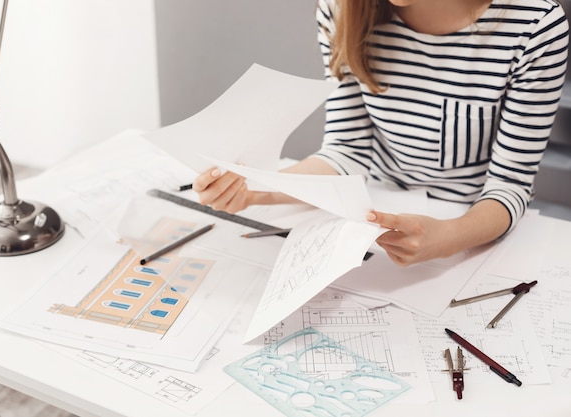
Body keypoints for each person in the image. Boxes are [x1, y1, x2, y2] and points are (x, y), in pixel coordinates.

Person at [193, 0, 569, 266]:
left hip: (474, 230)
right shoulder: (342, 9)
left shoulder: (535, 25)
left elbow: (510, 185)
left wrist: (447, 238)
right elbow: (346, 151)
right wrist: (253, 191)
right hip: (377, 217)